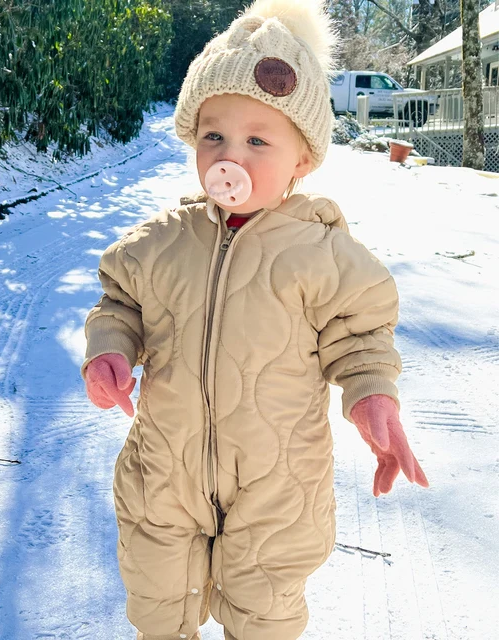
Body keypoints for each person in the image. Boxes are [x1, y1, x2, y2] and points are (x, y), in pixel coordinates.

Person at [81, 1, 429, 638]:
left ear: (302, 158)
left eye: (257, 141)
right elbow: (120, 302)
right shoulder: (162, 240)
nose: (229, 157)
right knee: (157, 605)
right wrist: (109, 348)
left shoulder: (320, 251)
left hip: (277, 485)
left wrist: (372, 396)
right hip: (164, 473)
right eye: (213, 135)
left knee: (265, 612)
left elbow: (360, 334)